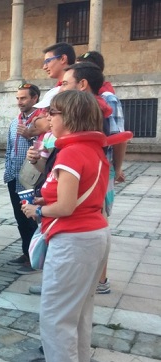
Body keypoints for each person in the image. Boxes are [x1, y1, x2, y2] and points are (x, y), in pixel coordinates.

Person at [21, 90, 110, 362]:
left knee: (57, 319)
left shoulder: (71, 153)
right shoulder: (93, 149)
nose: (47, 118)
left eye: (53, 114)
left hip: (73, 241)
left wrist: (37, 210)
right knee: (80, 317)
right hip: (93, 236)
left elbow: (67, 206)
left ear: (68, 118)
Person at [76, 51, 127, 295]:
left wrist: (117, 168)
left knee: (100, 223)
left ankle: (101, 280)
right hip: (84, 167)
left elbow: (118, 138)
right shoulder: (81, 100)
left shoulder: (108, 98)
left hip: (101, 170)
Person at [2, 83, 42, 273]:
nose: (20, 102)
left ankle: (35, 258)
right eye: (18, 98)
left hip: (31, 179)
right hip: (15, 178)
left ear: (34, 98)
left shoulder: (41, 121)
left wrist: (29, 136)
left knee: (31, 219)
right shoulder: (15, 121)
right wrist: (8, 172)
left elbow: (45, 147)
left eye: (24, 98)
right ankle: (26, 252)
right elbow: (9, 149)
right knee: (20, 218)